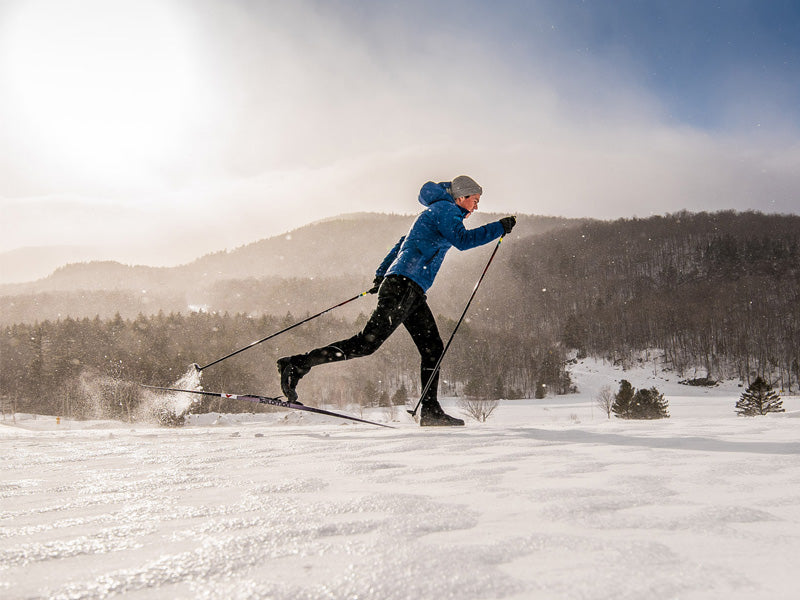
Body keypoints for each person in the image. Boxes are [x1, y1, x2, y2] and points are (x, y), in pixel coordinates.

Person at [277, 175, 516, 426]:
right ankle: (297, 364)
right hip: (404, 286)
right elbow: (464, 241)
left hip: (409, 288)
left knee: (433, 347)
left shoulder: (439, 211)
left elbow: (402, 244)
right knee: (366, 344)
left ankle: (431, 410)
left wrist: (382, 276)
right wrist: (499, 227)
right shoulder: (446, 209)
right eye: (475, 200)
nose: (476, 206)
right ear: (461, 197)